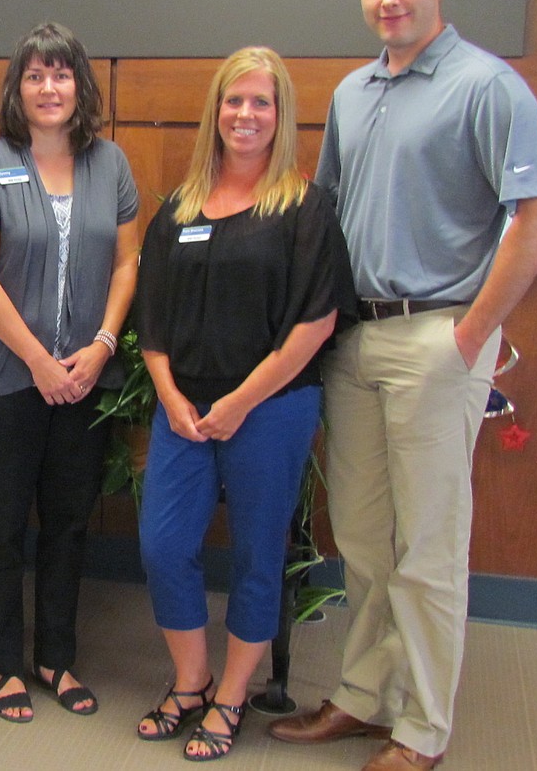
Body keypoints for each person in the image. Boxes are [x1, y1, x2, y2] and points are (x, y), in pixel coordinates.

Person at [268, 0, 537, 771]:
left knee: (430, 548)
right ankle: (365, 697)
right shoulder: (355, 93)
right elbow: (324, 218)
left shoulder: (487, 86)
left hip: (439, 335)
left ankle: (424, 728)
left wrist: (471, 335)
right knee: (360, 538)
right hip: (354, 341)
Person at [133, 46, 357, 761]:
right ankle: (192, 681)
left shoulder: (305, 209)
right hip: (183, 414)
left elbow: (316, 322)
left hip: (271, 410)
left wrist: (239, 401)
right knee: (164, 546)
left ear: (281, 114)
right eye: (235, 100)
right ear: (216, 111)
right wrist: (170, 396)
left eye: (262, 102)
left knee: (258, 555)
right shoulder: (179, 210)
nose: (246, 114)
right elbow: (153, 320)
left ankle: (232, 698)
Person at [0, 22, 139, 723]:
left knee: (67, 523)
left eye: (61, 74)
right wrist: (38, 360)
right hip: (7, 381)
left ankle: (55, 657)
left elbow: (127, 263)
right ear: (18, 87)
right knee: (3, 524)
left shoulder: (110, 164)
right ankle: (3, 662)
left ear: (80, 85)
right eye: (35, 75)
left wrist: (98, 346)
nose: (49, 88)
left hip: (85, 380)